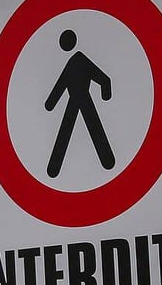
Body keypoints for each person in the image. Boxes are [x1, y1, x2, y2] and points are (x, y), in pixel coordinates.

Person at [44, 30, 114, 177]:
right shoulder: (78, 61)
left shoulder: (77, 61)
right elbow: (62, 84)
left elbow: (103, 79)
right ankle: (107, 160)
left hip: (79, 98)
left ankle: (53, 169)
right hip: (78, 99)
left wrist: (50, 104)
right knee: (86, 128)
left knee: (69, 130)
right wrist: (50, 103)